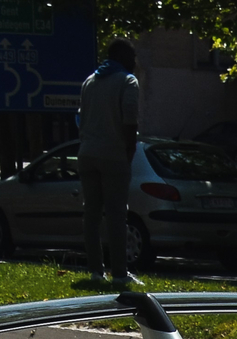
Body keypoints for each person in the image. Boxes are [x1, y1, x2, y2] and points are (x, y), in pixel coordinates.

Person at [76, 40, 140, 287]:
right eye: (132, 57)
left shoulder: (89, 81)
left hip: (87, 154)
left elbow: (80, 119)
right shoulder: (127, 81)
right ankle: (120, 274)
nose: (135, 62)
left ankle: (95, 271)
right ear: (123, 58)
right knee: (116, 216)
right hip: (113, 154)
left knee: (91, 215)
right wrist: (129, 151)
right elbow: (130, 119)